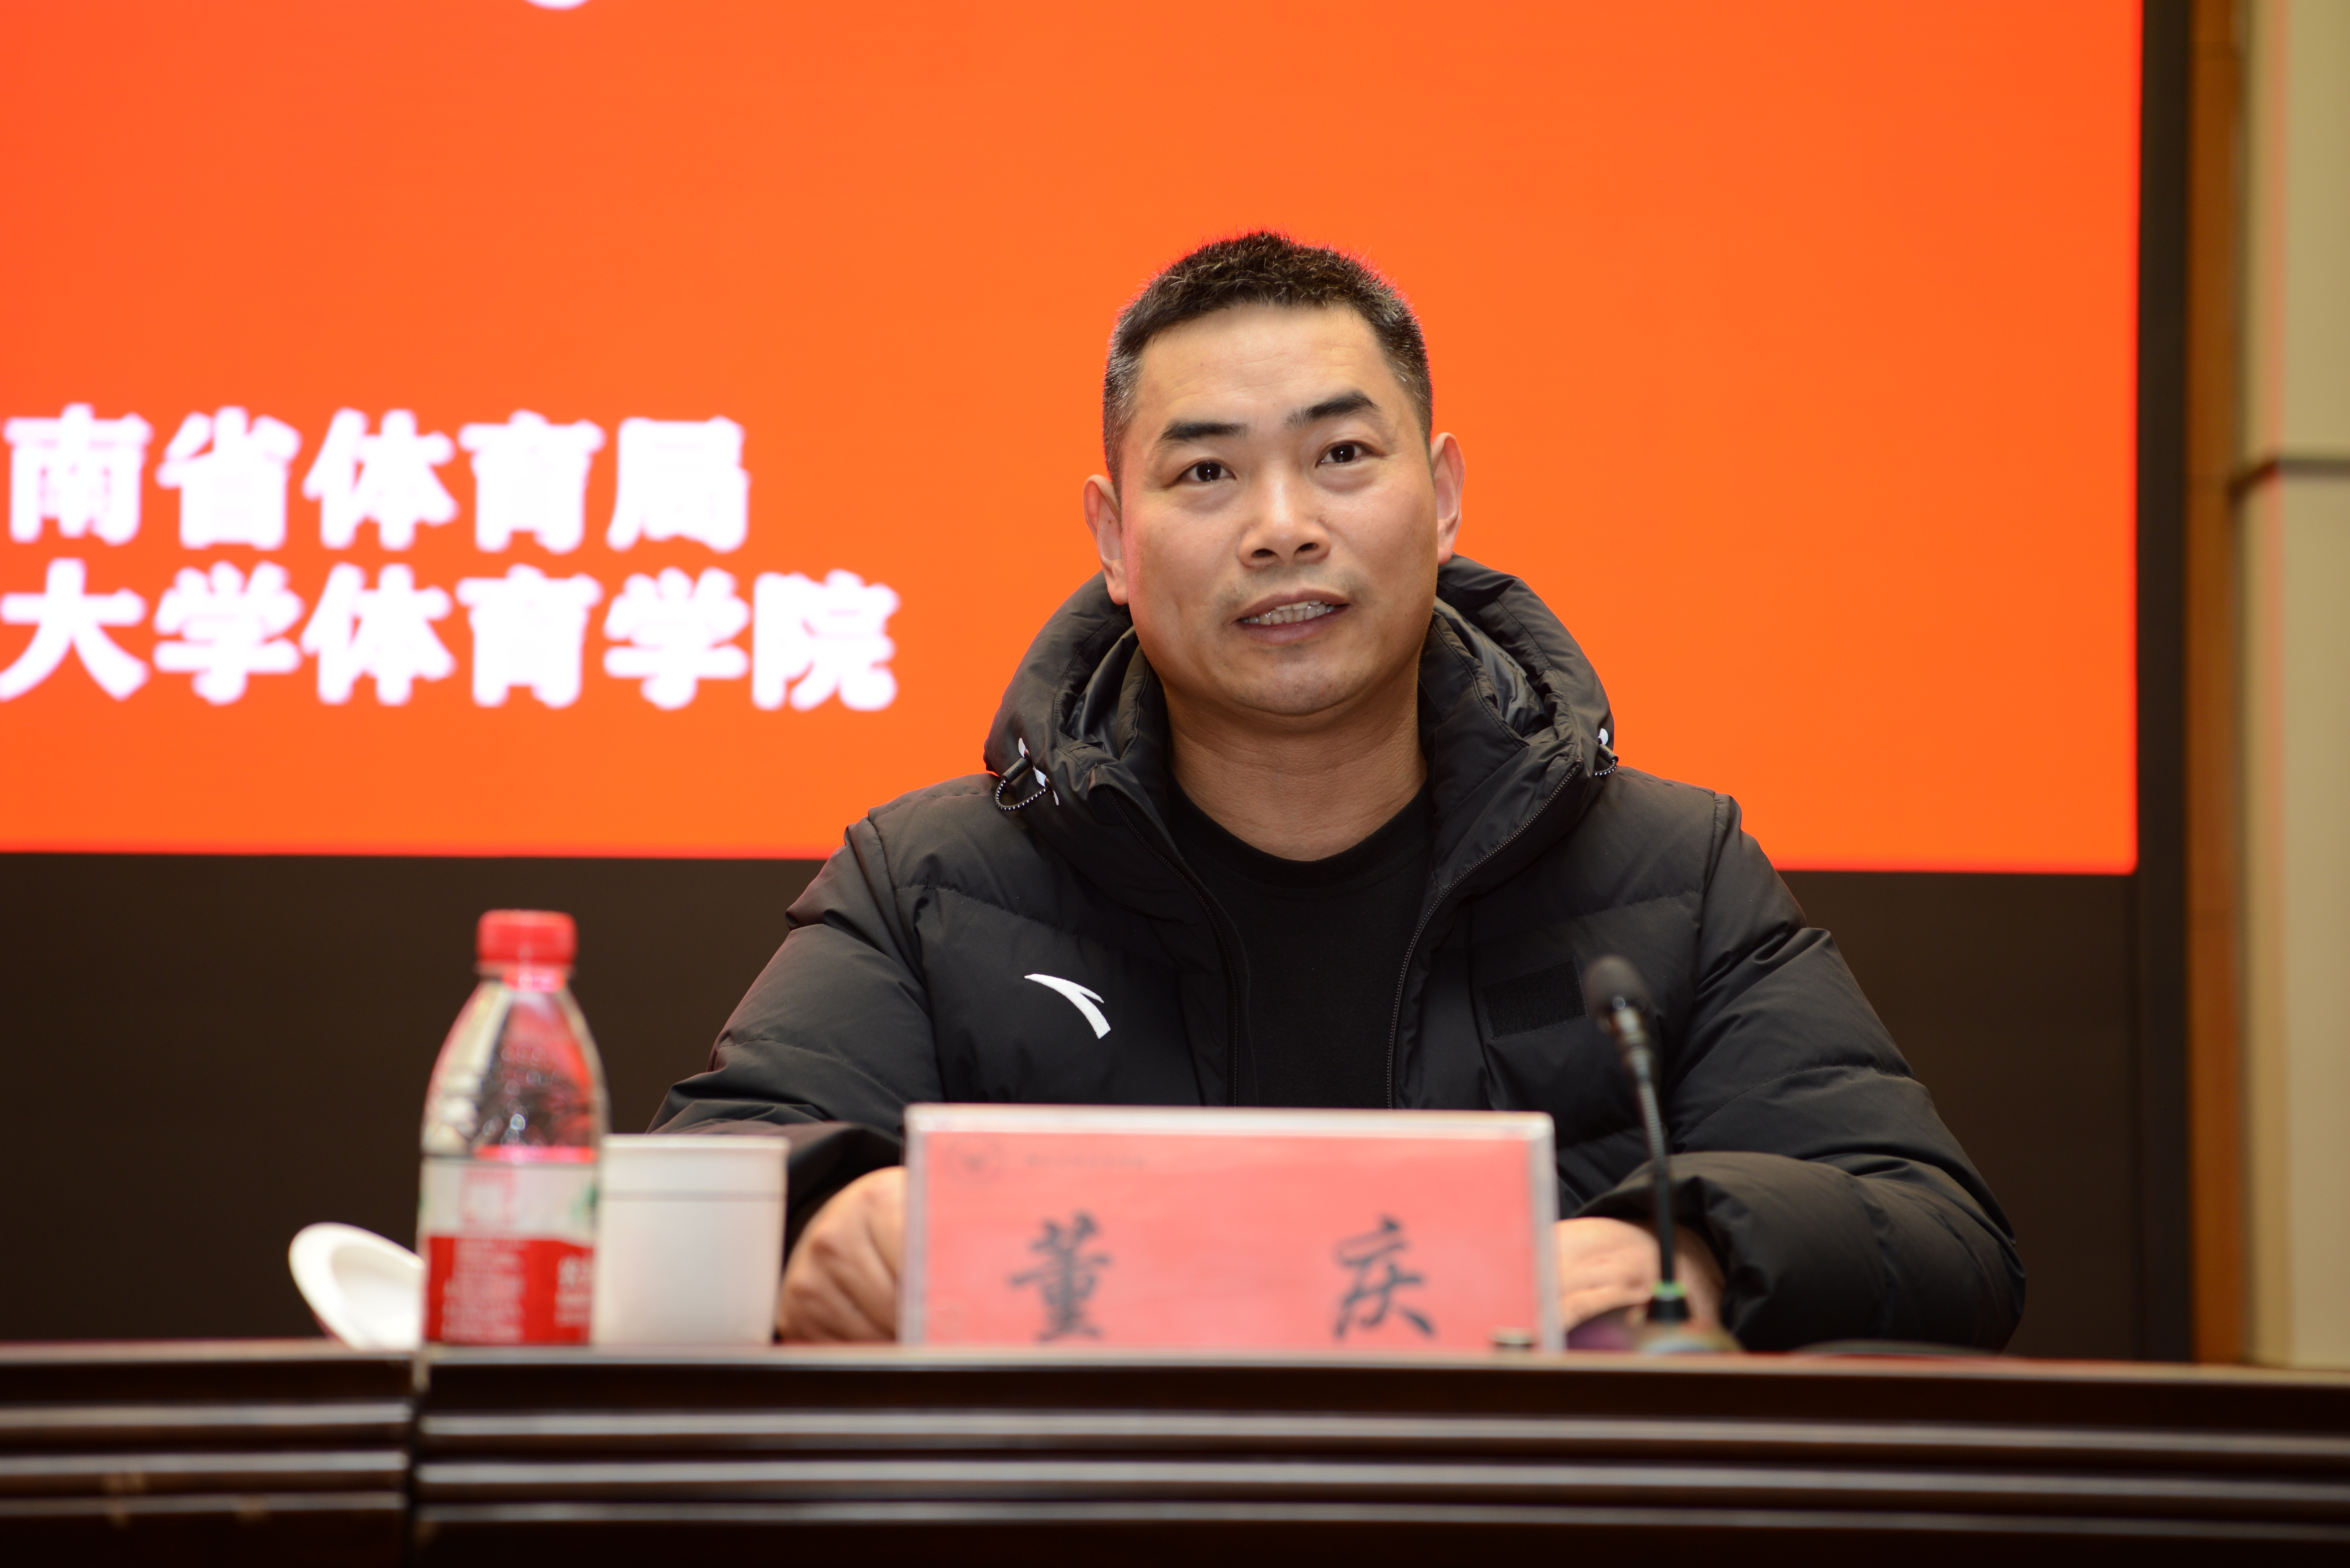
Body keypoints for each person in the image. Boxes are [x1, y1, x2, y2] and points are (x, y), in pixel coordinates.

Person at [654, 232, 2024, 1353]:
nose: (1282, 526)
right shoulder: (936, 884)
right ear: (1113, 541)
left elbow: (1945, 1239)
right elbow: (681, 1204)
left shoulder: (1671, 871)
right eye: (1205, 472)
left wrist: (1699, 1251)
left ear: (1443, 495)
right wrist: (822, 1219)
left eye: (1343, 457)